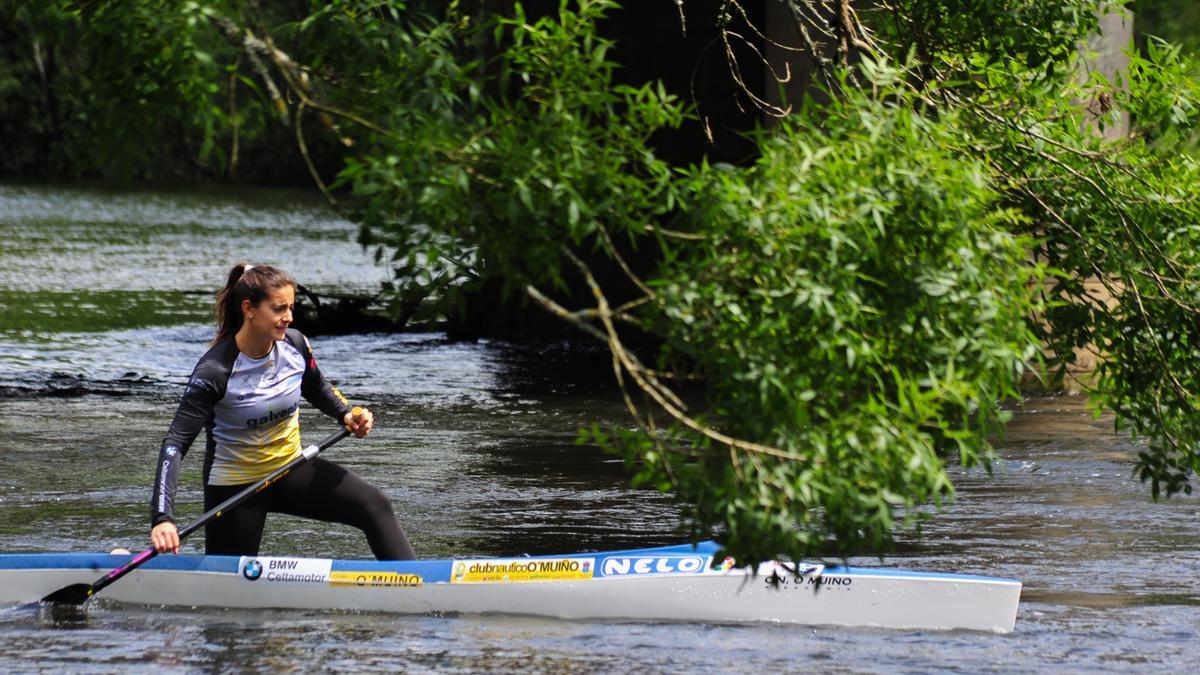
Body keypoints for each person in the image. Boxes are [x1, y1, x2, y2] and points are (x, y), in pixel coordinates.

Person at [149, 262, 416, 560]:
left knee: (374, 505)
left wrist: (346, 414)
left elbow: (316, 387)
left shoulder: (295, 346)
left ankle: (419, 589)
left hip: (290, 469)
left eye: (291, 308)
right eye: (279, 309)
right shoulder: (215, 371)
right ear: (249, 309)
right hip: (235, 487)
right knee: (234, 592)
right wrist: (162, 518)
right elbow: (175, 444)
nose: (288, 317)